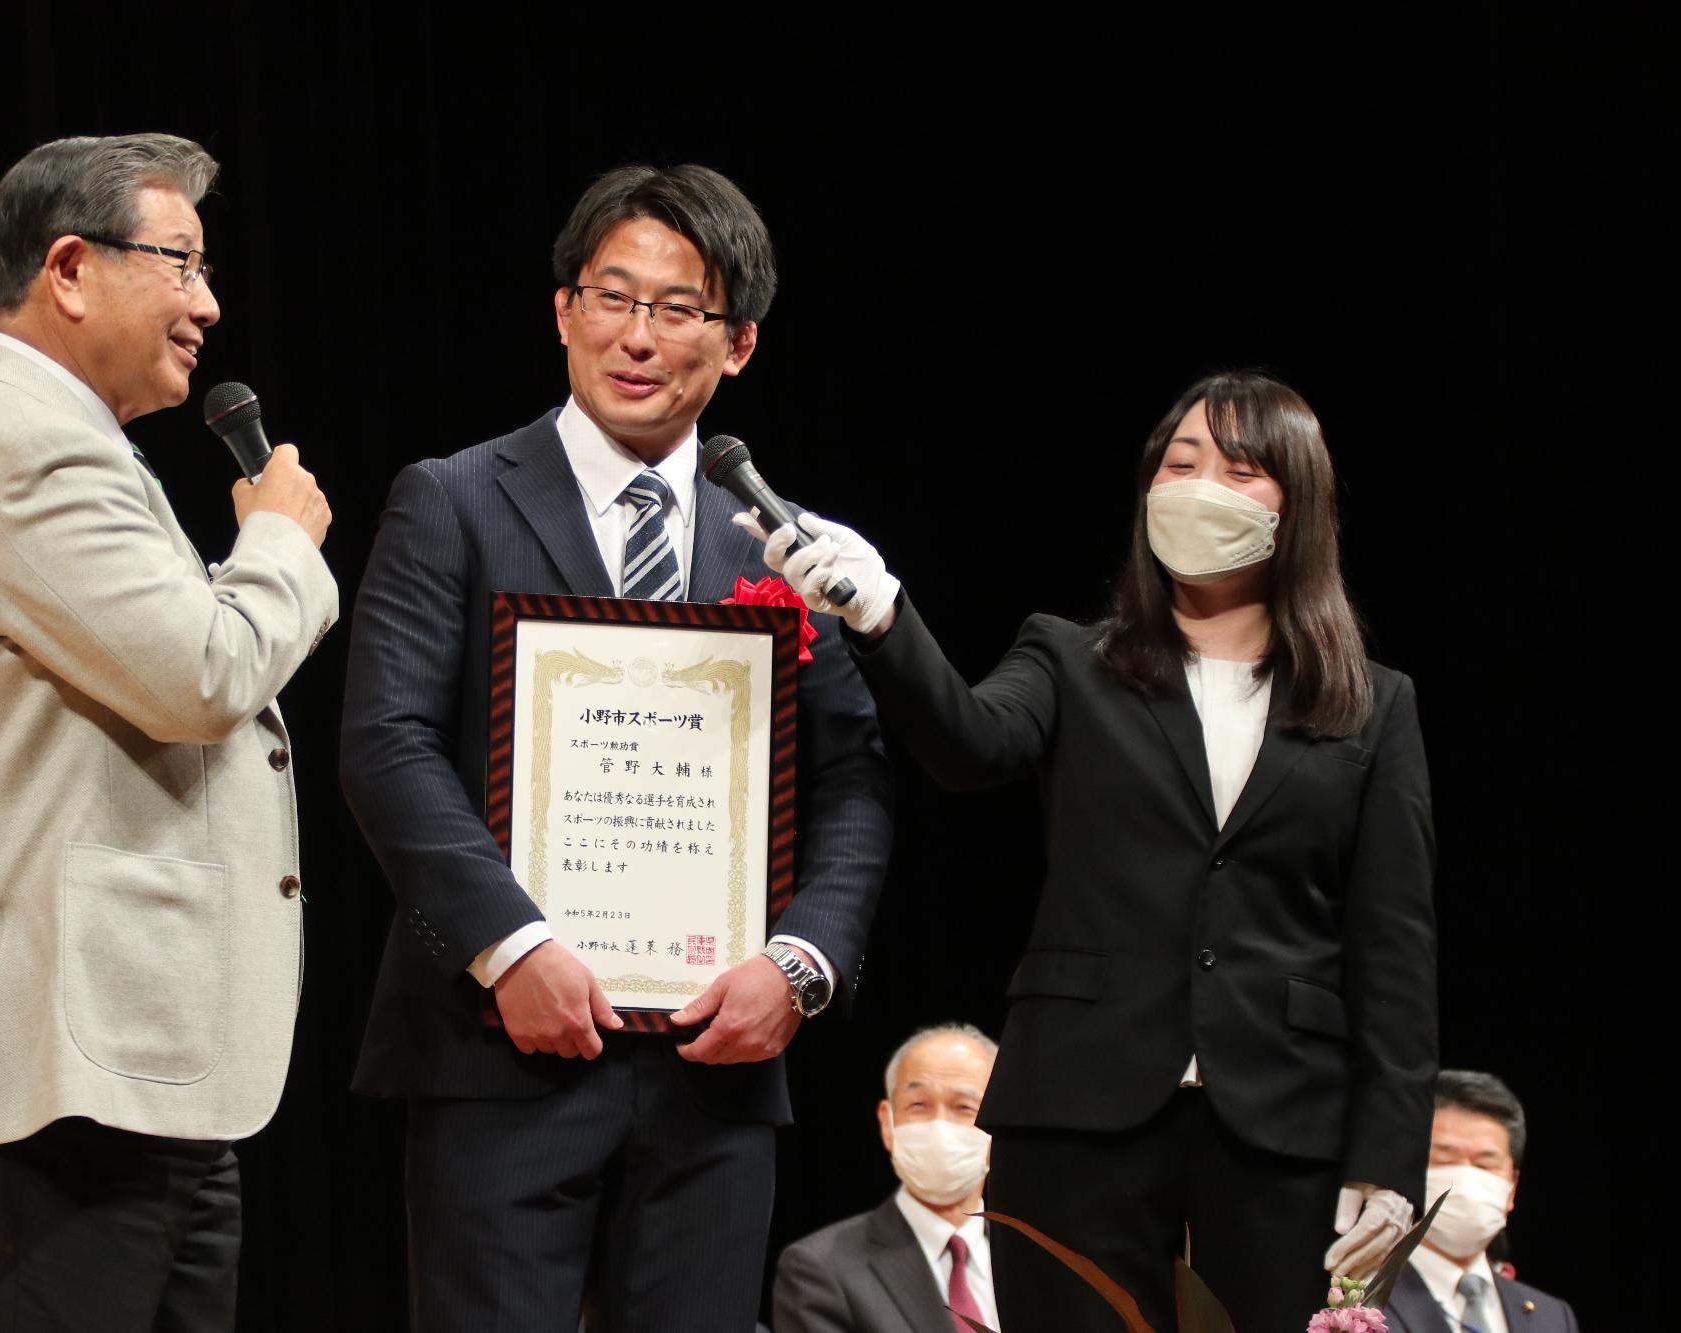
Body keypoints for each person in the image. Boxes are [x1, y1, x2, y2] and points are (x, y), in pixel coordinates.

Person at [741, 371, 1437, 1332]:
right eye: (1179, 462)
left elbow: (1396, 948)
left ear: (1298, 503)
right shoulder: (1073, 657)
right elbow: (969, 743)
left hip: (1285, 1123)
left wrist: (1390, 1160)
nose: (1199, 487)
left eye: (1239, 470)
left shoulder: (1372, 702)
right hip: (1076, 1101)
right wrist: (882, 615)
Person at [339, 163, 893, 1333]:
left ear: (736, 342)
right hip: (499, 1054)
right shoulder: (449, 499)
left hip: (716, 1065)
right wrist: (510, 944)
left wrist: (798, 968)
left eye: (678, 308)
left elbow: (852, 780)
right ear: (562, 311)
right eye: (611, 295)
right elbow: (385, 745)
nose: (637, 337)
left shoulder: (783, 543)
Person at [0, 133, 338, 1333]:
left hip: (142, 1072)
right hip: (69, 1083)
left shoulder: (77, 441)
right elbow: (203, 672)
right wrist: (280, 541)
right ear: (72, 270)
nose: (209, 303)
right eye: (178, 262)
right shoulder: (25, 444)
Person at [775, 1024, 1000, 1333]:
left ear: (998, 1128)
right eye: (918, 1105)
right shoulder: (820, 1268)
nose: (939, 1126)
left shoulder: (1042, 1259)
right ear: (887, 1122)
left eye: (964, 1107)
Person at [1386, 1070, 1580, 1333]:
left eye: (1484, 1164)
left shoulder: (1553, 1316)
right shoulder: (1359, 1302)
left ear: (1512, 1188)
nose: (1465, 1180)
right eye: (1444, 1160)